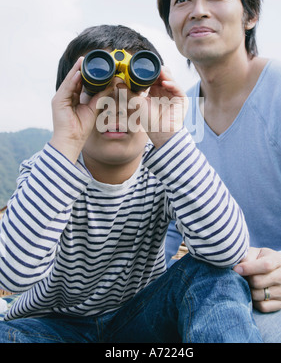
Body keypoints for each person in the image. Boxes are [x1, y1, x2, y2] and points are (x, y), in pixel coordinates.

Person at [0, 24, 261, 343]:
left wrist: (170, 138)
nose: (115, 109)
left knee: (213, 273)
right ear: (66, 97)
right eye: (95, 90)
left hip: (137, 323)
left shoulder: (167, 170)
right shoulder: (47, 172)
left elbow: (226, 251)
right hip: (47, 328)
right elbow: (12, 273)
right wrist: (66, 139)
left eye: (135, 93)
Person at [157, 0, 281, 343]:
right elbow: (162, 235)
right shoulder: (172, 117)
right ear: (171, 24)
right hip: (211, 293)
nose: (197, 10)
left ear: (250, 14)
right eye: (182, 0)